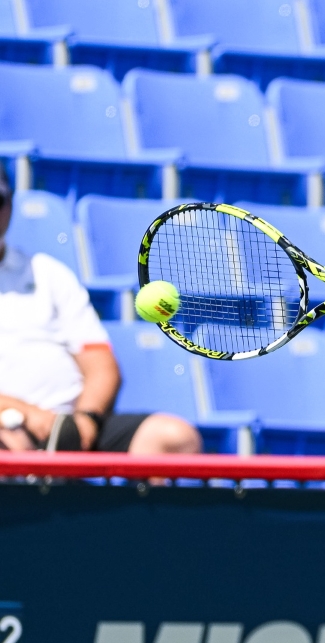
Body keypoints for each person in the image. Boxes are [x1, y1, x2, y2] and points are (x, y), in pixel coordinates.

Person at [0, 176, 201, 455]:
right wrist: (23, 412)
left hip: (70, 424)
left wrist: (86, 420)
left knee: (173, 437)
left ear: (10, 204)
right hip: (8, 426)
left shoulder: (48, 272)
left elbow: (101, 365)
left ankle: (144, 502)